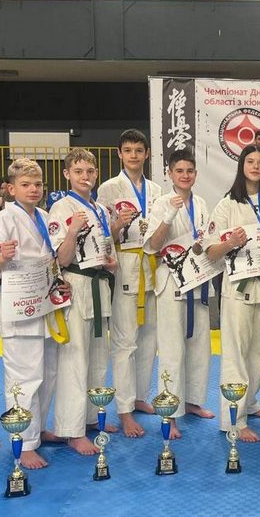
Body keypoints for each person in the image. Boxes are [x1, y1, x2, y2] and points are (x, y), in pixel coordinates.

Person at [0, 158, 63, 471]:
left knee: (47, 373)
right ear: (11, 189)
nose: (33, 189)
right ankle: (24, 443)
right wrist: (1, 258)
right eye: (25, 184)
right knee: (25, 375)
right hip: (18, 303)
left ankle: (37, 430)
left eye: (38, 184)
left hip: (45, 301)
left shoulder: (44, 216)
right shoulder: (3, 219)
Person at [204, 145, 260, 442]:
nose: (255, 166)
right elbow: (210, 252)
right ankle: (233, 421)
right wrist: (230, 243)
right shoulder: (227, 205)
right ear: (241, 166)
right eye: (250, 161)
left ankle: (250, 403)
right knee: (236, 355)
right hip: (238, 289)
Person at [49, 149, 117, 455]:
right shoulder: (61, 207)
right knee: (74, 359)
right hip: (76, 284)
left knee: (98, 357)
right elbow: (61, 259)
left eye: (90, 171)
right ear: (67, 174)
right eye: (78, 171)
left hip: (100, 285)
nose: (85, 176)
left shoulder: (100, 209)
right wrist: (73, 230)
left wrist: (111, 263)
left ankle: (91, 417)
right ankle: (71, 430)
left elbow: (106, 250)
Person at [96, 129, 163, 438]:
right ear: (119, 154)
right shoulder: (109, 189)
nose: (134, 155)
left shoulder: (156, 189)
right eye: (128, 150)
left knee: (149, 339)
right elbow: (99, 236)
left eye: (139, 150)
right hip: (124, 266)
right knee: (125, 342)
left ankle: (138, 396)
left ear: (146, 154)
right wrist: (116, 225)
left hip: (151, 266)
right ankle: (124, 410)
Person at [145, 148, 215, 438]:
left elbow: (205, 240)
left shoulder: (200, 203)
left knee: (200, 346)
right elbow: (152, 245)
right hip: (172, 281)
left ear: (195, 174)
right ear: (170, 174)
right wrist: (169, 215)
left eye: (189, 171)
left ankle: (192, 401)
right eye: (179, 171)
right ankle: (170, 412)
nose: (185, 175)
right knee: (172, 349)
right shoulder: (162, 203)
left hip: (198, 278)